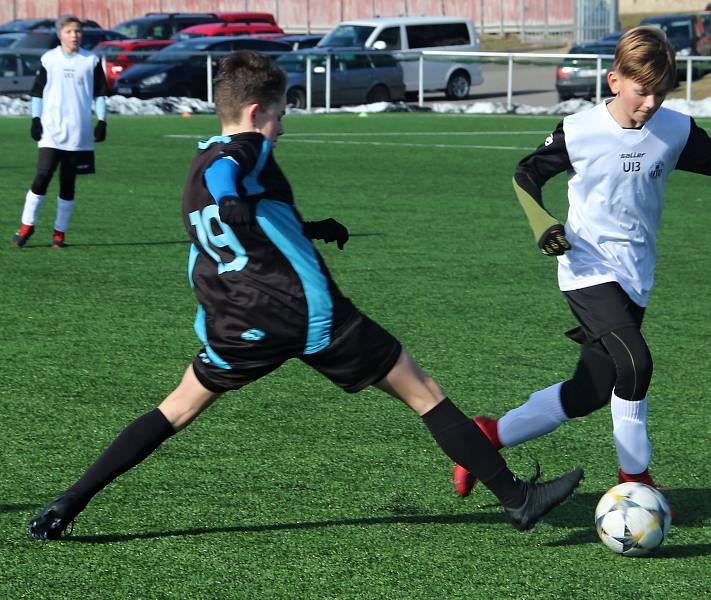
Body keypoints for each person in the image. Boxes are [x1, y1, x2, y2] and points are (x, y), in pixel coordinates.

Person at [27, 51, 583, 541]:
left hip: (233, 320)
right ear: (254, 112)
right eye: (279, 115)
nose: (281, 127)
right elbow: (232, 180)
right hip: (304, 310)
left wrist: (310, 226)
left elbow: (244, 209)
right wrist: (235, 203)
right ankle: (517, 499)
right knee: (423, 392)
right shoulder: (243, 151)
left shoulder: (199, 157)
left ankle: (68, 501)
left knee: (176, 408)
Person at [451, 27, 711, 501]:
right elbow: (526, 173)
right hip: (586, 269)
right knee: (637, 362)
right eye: (641, 91)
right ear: (614, 81)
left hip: (635, 275)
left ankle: (486, 436)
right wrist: (544, 226)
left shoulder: (674, 129)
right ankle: (635, 480)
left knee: (590, 390)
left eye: (660, 92)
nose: (650, 102)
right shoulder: (580, 130)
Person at [11, 14, 108, 249]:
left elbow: (100, 94)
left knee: (68, 183)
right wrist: (36, 119)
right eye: (69, 31)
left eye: (77, 31)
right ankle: (26, 226)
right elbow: (37, 93)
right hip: (51, 131)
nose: (74, 35)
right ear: (60, 34)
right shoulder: (49, 59)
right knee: (42, 176)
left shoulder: (91, 61)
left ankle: (59, 233)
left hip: (79, 133)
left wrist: (102, 120)